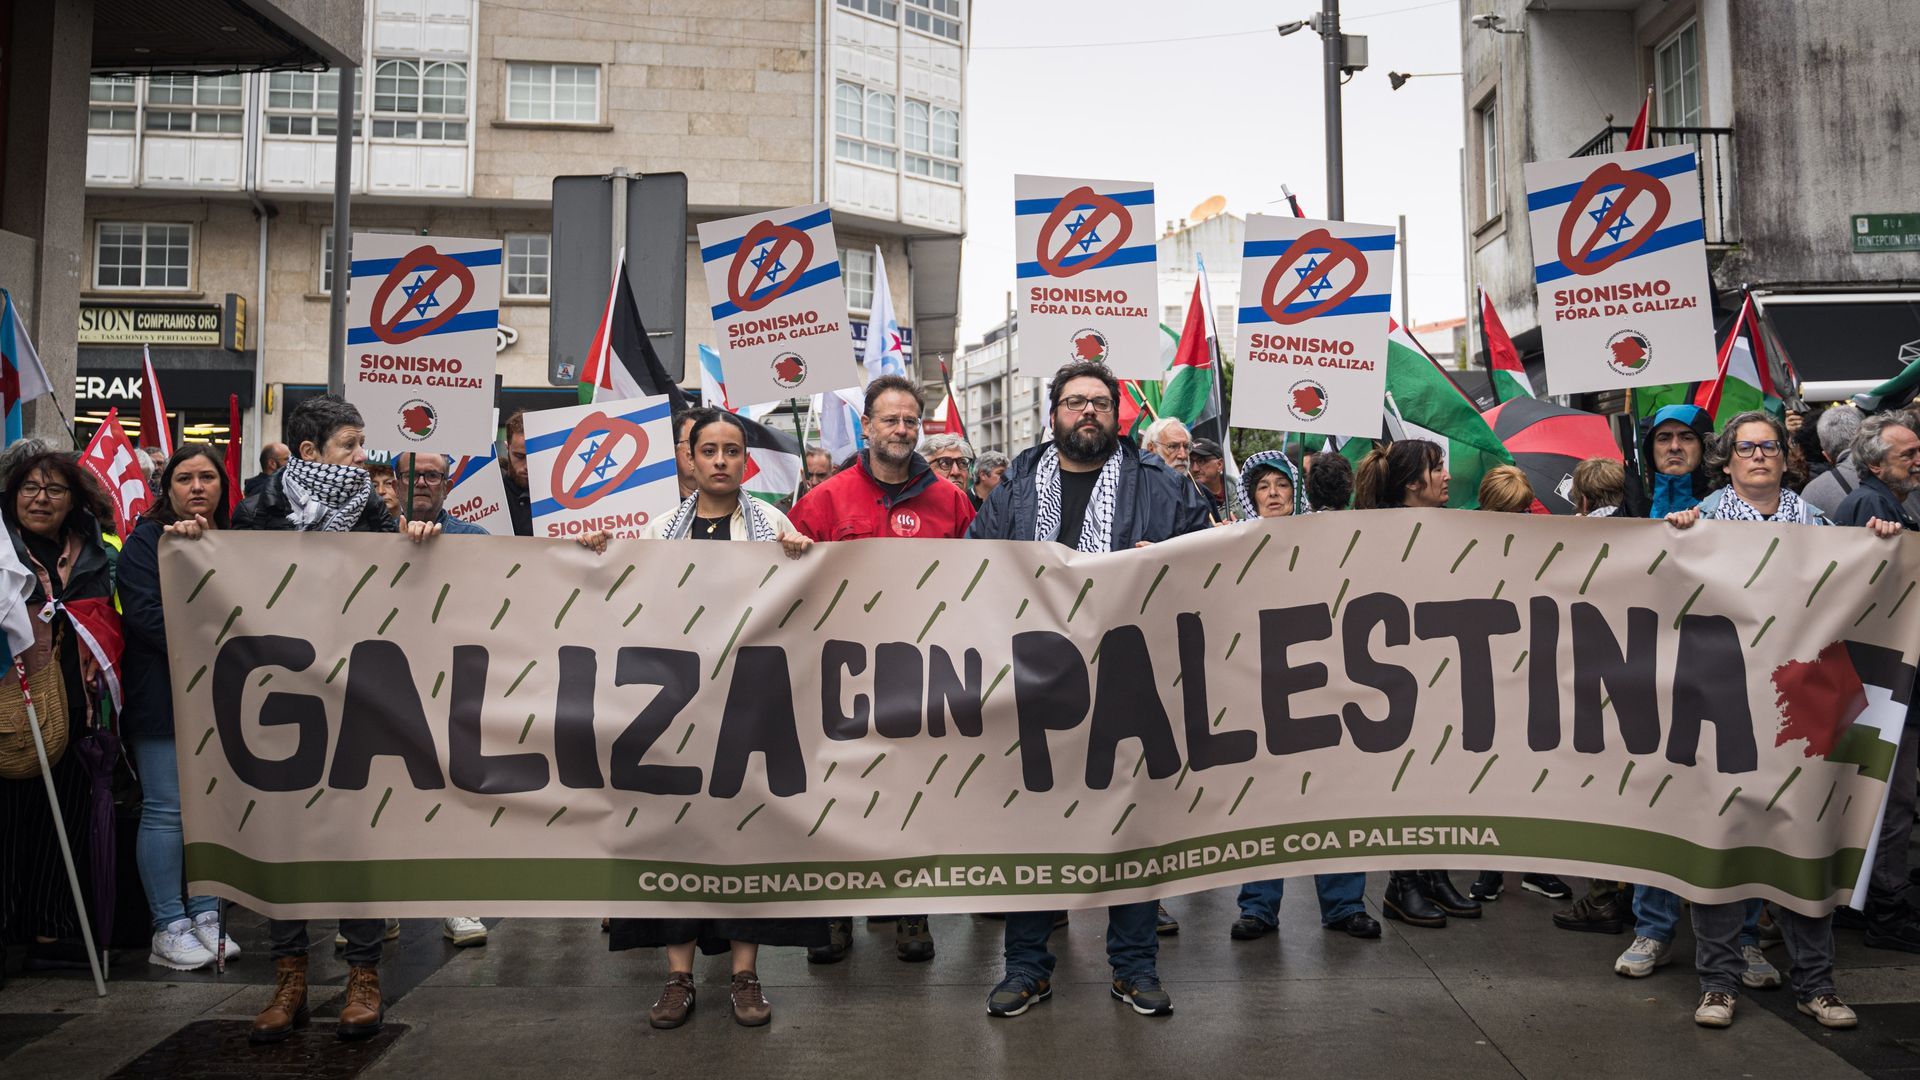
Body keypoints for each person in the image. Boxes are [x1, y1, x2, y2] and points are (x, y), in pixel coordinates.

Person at [171, 394, 443, 1044]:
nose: (361, 455)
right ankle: (289, 978)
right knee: (280, 837)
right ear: (310, 452)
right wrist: (193, 546)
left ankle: (361, 976)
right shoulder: (256, 511)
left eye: (360, 443)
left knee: (355, 838)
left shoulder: (376, 514)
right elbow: (223, 589)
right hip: (278, 698)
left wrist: (417, 543)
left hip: (354, 701)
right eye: (350, 444)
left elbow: (405, 591)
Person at [970, 360, 1212, 1019]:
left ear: (1117, 414)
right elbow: (975, 563)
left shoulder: (1157, 481)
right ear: (1053, 414)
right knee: (1034, 827)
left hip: (1128, 677)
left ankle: (1133, 969)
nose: (1087, 413)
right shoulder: (1018, 484)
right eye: (1074, 402)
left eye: (1099, 403)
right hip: (1038, 682)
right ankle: (1027, 967)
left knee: (1130, 825)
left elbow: (1208, 558)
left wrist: (1159, 560)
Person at [1664, 411, 1900, 1029]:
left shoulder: (1817, 524)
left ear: (1786, 457)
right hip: (1725, 704)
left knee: (1804, 843)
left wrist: (1878, 541)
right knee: (1721, 844)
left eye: (1770, 446)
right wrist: (1675, 537)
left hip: (1802, 703)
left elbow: (1865, 589)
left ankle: (1815, 985)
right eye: (1747, 448)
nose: (1760, 456)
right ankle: (1718, 983)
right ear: (1727, 459)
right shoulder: (1703, 521)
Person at [617, 406, 818, 1029]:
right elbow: (620, 596)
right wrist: (599, 553)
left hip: (746, 707)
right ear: (690, 458)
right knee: (674, 834)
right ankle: (678, 977)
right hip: (674, 712)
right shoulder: (656, 532)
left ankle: (743, 973)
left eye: (733, 450)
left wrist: (801, 557)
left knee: (744, 834)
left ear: (745, 460)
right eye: (710, 451)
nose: (722, 461)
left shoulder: (772, 525)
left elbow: (807, 604)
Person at [788, 375, 975, 963]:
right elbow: (779, 579)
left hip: (921, 675)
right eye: (889, 419)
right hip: (838, 675)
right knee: (839, 794)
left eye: (910, 420)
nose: (901, 429)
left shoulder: (950, 501)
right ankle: (836, 915)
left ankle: (910, 911)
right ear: (865, 425)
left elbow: (983, 580)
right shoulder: (824, 500)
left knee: (910, 793)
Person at [1227, 451, 1381, 944]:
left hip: (1324, 685)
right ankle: (1258, 908)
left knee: (1333, 796)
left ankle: (1344, 905)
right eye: (1262, 486)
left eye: (1281, 485)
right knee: (1265, 801)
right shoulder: (1231, 545)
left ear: (1296, 493)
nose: (1272, 493)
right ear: (1251, 495)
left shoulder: (1324, 541)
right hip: (1261, 687)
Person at [118, 445, 240, 972]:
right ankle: (168, 926)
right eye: (184, 478)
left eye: (207, 477)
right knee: (167, 811)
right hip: (163, 697)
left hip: (224, 699)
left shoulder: (238, 543)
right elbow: (146, 616)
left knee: (210, 810)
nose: (196, 487)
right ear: (166, 489)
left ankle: (207, 915)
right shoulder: (147, 543)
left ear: (222, 486)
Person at [0, 452, 121, 971]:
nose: (40, 499)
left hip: (75, 702)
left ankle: (53, 927)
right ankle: (6, 931)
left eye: (53, 490)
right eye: (29, 488)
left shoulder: (90, 551)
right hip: (11, 702)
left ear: (73, 500)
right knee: (8, 820)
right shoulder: (4, 551)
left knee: (64, 818)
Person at [1352, 440, 1475, 927]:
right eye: (1436, 468)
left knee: (1438, 778)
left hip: (1441, 670)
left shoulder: (1449, 529)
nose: (1446, 476)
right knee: (1404, 780)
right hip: (1397, 678)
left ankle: (1433, 874)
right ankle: (1402, 884)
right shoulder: (1375, 536)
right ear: (1411, 484)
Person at [1827, 412, 1920, 953]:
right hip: (1885, 684)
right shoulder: (1870, 507)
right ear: (1876, 464)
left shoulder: (1885, 503)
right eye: (1907, 455)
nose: (1916, 461)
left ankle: (1864, 902)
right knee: (1892, 799)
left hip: (1883, 681)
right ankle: (1886, 906)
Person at [1463, 467, 1573, 903]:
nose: (1520, 518)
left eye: (1523, 509)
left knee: (1536, 769)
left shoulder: (1542, 541)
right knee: (1492, 771)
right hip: (1484, 670)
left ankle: (1535, 866)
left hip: (1536, 667)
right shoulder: (1466, 545)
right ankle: (1491, 867)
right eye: (1511, 511)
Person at [1619, 403, 1713, 519]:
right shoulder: (1631, 510)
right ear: (1650, 450)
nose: (1674, 447)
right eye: (1664, 438)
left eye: (1686, 438)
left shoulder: (1723, 509)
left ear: (1705, 447)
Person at [394, 452, 487, 536]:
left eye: (432, 475)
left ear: (446, 488)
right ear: (396, 488)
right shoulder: (381, 534)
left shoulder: (475, 537)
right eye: (411, 475)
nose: (421, 483)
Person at [1189, 438, 1239, 521]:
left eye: (1201, 461)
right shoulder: (1187, 501)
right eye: (1190, 462)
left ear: (1219, 465)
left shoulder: (1244, 492)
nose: (1195, 469)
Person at [501, 410, 533, 536]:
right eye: (519, 456)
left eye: (533, 458)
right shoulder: (490, 487)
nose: (526, 466)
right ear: (506, 447)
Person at [922, 433, 975, 498]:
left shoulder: (974, 507)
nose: (956, 472)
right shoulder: (914, 507)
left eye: (962, 463)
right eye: (945, 463)